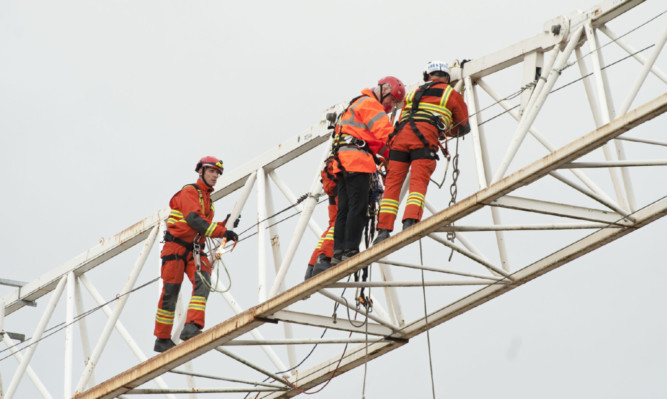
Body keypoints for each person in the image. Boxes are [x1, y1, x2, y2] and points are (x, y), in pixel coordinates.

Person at [374, 61, 470, 244]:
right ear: (447, 79)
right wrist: (443, 131)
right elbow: (464, 126)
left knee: (393, 186)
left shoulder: (413, 94)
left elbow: (404, 119)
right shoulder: (451, 93)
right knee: (418, 182)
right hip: (423, 141)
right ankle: (410, 223)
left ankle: (382, 232)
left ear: (427, 77)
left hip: (400, 139)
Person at [154, 156, 239, 353]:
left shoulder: (208, 201)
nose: (215, 176)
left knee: (204, 281)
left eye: (217, 173)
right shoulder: (190, 192)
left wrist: (224, 225)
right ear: (201, 172)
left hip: (194, 250)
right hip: (175, 249)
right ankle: (162, 338)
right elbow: (193, 219)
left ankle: (192, 326)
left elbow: (203, 226)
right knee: (170, 293)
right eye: (211, 172)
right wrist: (221, 231)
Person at [328, 76, 406, 267]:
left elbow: (376, 144)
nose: (391, 107)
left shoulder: (357, 104)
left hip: (342, 162)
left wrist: (389, 155)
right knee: (358, 206)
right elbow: (386, 134)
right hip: (356, 162)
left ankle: (338, 252)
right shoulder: (371, 104)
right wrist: (404, 150)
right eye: (392, 100)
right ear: (384, 90)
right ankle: (351, 250)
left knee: (344, 208)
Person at [304, 157, 338, 279]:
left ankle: (311, 268)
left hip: (333, 182)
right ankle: (324, 259)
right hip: (339, 182)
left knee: (333, 224)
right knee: (339, 222)